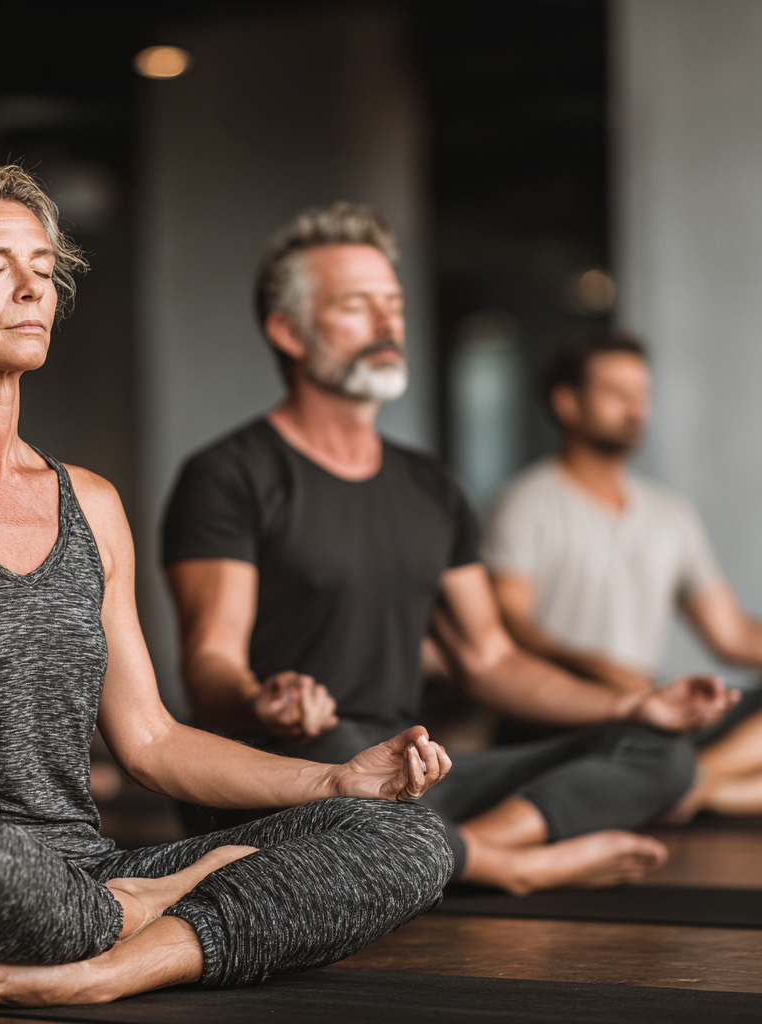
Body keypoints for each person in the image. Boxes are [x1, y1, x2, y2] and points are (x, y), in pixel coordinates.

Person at [0, 161, 455, 1016]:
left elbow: (151, 742)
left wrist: (335, 783)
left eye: (44, 268)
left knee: (410, 838)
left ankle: (113, 963)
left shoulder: (93, 505)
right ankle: (137, 916)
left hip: (74, 869)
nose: (33, 288)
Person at [162, 202, 737, 898]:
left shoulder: (429, 484)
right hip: (289, 765)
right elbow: (209, 666)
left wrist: (633, 706)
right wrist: (263, 700)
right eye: (356, 306)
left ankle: (446, 853)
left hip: (409, 770)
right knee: (345, 760)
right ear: (289, 331)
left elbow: (489, 659)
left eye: (394, 305)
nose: (386, 324)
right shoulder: (229, 474)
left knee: (660, 755)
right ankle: (507, 865)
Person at [485, 331, 762, 818]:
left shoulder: (670, 513)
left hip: (653, 712)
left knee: (668, 743)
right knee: (644, 746)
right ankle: (679, 781)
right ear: (567, 403)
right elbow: (509, 629)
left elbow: (731, 634)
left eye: (643, 395)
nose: (637, 408)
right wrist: (602, 670)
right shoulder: (523, 504)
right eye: (617, 393)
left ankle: (693, 783)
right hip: (566, 717)